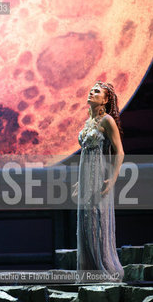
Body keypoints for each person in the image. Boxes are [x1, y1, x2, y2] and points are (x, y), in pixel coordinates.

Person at [72, 81, 125, 283]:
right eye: (91, 90)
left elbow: (119, 151)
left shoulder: (107, 120)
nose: (92, 93)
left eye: (97, 92)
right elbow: (86, 153)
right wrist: (79, 182)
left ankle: (104, 270)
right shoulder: (88, 123)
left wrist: (112, 179)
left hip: (99, 178)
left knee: (97, 222)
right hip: (86, 178)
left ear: (104, 100)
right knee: (86, 224)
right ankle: (89, 273)